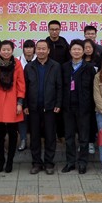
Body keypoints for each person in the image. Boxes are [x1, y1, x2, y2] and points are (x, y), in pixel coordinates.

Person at [24, 40, 62, 175]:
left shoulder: (55, 66)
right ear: (35, 50)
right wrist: (25, 104)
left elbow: (59, 86)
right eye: (38, 48)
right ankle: (36, 163)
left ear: (48, 50)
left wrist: (58, 103)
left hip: (50, 108)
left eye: (43, 48)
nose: (41, 51)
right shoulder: (29, 67)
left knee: (50, 137)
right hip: (33, 108)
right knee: (34, 137)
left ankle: (49, 163)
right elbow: (25, 88)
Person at [0, 40, 25, 173]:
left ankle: (10, 161)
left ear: (12, 50)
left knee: (13, 134)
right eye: (3, 49)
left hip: (12, 102)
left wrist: (20, 103)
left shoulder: (17, 64)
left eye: (8, 50)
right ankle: (1, 160)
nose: (6, 52)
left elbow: (21, 84)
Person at [61, 39, 96, 174]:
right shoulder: (64, 67)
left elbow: (93, 89)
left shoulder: (89, 68)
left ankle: (82, 163)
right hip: (68, 107)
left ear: (83, 51)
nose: (76, 51)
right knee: (69, 137)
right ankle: (70, 163)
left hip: (84, 108)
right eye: (74, 49)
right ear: (70, 51)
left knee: (83, 137)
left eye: (79, 49)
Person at [17, 39, 37, 151]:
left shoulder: (39, 60)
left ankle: (34, 141)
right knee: (22, 118)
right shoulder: (18, 60)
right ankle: (23, 140)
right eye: (26, 47)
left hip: (34, 93)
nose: (28, 50)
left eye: (31, 47)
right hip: (21, 93)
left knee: (35, 119)